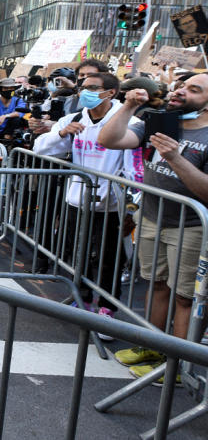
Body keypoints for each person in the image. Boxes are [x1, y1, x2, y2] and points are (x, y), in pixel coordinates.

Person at [98, 72, 208, 384]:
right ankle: (153, 347)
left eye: (194, 90)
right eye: (182, 86)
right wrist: (128, 106)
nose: (181, 91)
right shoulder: (160, 120)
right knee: (156, 284)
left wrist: (174, 157)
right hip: (152, 218)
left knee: (186, 298)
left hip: (191, 227)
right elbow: (108, 140)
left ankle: (178, 365)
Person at [33, 72, 144, 337]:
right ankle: (80, 296)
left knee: (108, 258)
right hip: (77, 198)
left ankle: (106, 308)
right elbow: (40, 149)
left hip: (111, 203)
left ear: (111, 92)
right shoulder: (73, 118)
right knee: (77, 251)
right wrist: (61, 133)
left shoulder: (132, 121)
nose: (85, 92)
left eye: (93, 88)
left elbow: (134, 168)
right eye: (83, 88)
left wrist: (132, 204)